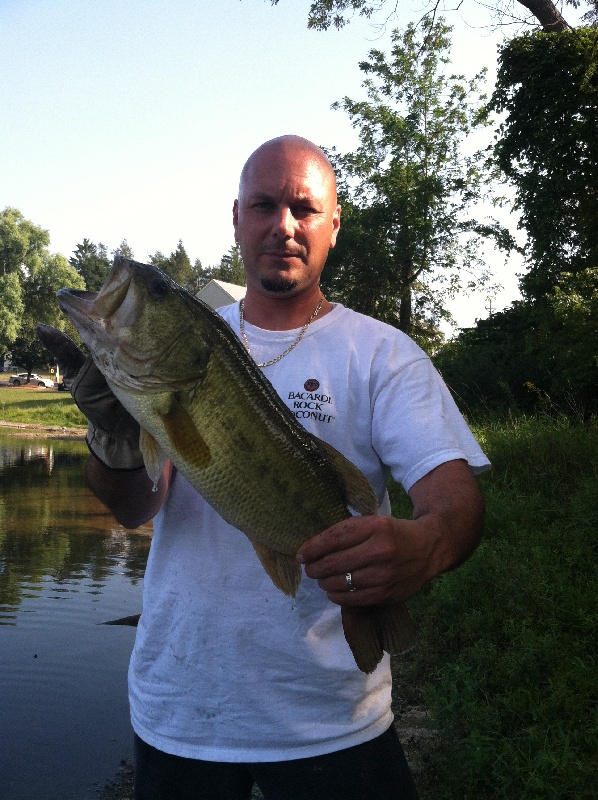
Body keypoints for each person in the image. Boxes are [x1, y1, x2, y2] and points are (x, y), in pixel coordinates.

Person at [45, 135, 490, 799]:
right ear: (236, 218)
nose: (283, 224)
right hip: (179, 709)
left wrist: (427, 546)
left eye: (304, 208)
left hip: (333, 723)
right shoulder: (193, 344)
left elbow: (456, 499)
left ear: (333, 225)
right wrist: (113, 438)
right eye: (263, 205)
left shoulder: (384, 354)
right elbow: (134, 509)